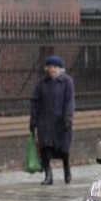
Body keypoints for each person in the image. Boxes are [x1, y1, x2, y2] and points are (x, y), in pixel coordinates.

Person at [30, 55, 75, 185]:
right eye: (50, 67)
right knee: (45, 149)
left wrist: (68, 117)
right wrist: (33, 120)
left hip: (61, 122)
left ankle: (66, 168)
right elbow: (35, 102)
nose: (52, 70)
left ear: (60, 69)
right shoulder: (42, 83)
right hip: (45, 122)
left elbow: (69, 101)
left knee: (63, 150)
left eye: (55, 67)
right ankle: (48, 175)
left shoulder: (67, 82)